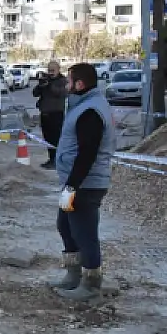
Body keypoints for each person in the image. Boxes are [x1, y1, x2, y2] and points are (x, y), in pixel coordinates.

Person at [50, 62, 116, 301]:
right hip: (77, 182)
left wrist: (72, 187)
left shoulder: (90, 111)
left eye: (69, 81)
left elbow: (87, 153)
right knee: (65, 225)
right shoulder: (84, 106)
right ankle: (74, 275)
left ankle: (91, 285)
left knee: (84, 233)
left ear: (79, 84)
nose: (66, 85)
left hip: (85, 185)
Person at [32, 61, 68, 169]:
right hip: (45, 114)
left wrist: (50, 85)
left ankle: (58, 161)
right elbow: (35, 93)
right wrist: (40, 85)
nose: (51, 73)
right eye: (49, 70)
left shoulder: (63, 81)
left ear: (58, 69)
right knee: (47, 139)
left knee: (56, 139)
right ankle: (51, 159)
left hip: (56, 114)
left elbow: (62, 93)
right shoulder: (46, 79)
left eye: (53, 70)